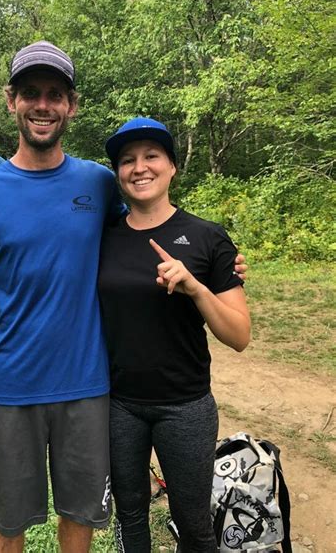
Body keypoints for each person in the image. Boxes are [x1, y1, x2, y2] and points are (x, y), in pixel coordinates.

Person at [0, 42, 247, 552]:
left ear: (72, 105)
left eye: (55, 95)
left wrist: (218, 262)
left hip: (89, 390)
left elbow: (148, 222)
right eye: (31, 93)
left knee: (80, 517)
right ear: (11, 100)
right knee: (5, 523)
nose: (43, 105)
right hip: (9, 388)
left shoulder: (99, 182)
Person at [98, 117, 251, 552]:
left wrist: (196, 288)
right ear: (118, 174)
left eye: (151, 156)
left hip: (185, 405)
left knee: (194, 525)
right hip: (118, 403)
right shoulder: (101, 237)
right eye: (127, 160)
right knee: (129, 518)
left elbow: (239, 335)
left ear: (172, 167)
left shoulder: (208, 238)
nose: (139, 167)